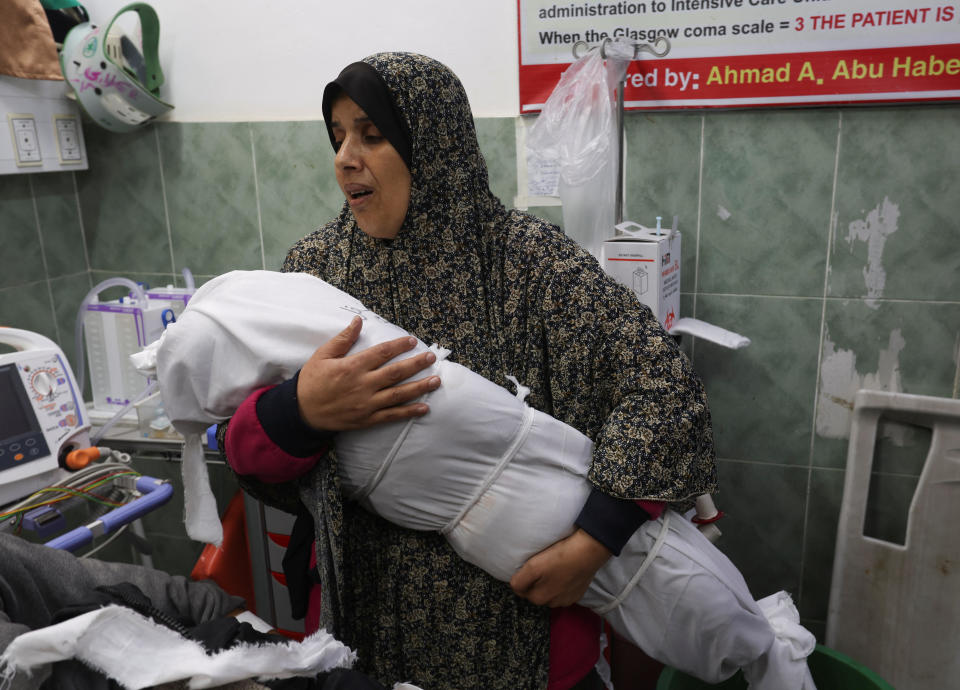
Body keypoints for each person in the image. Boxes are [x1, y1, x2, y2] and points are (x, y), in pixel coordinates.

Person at [222, 52, 717, 690]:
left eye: (372, 135)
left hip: (524, 629)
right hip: (364, 639)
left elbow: (664, 393)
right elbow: (246, 454)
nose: (345, 156)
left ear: (434, 146)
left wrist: (595, 542)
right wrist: (300, 413)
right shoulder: (316, 272)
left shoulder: (529, 265)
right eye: (338, 135)